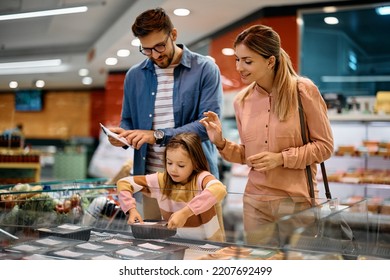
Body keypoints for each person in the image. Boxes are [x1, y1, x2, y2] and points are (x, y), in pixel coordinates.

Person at [200, 24, 334, 245]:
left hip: (296, 202)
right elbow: (247, 155)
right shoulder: (241, 101)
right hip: (255, 202)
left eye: (248, 61)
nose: (240, 67)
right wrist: (221, 142)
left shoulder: (303, 91)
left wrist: (280, 158)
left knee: (297, 265)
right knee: (260, 264)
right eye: (237, 59)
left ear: (270, 61)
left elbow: (324, 147)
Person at [107, 7, 223, 219]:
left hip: (194, 183)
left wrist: (157, 135)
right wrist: (122, 136)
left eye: (160, 46)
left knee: (200, 249)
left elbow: (208, 126)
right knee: (154, 247)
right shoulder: (134, 76)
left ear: (174, 35)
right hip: (152, 182)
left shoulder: (205, 69)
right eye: (147, 49)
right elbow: (128, 119)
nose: (155, 55)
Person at [116, 132, 227, 242]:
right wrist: (131, 209)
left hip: (206, 245)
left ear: (195, 163)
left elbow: (219, 188)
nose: (173, 169)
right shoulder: (161, 180)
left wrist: (185, 213)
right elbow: (124, 183)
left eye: (181, 165)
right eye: (169, 163)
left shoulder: (201, 178)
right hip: (173, 243)